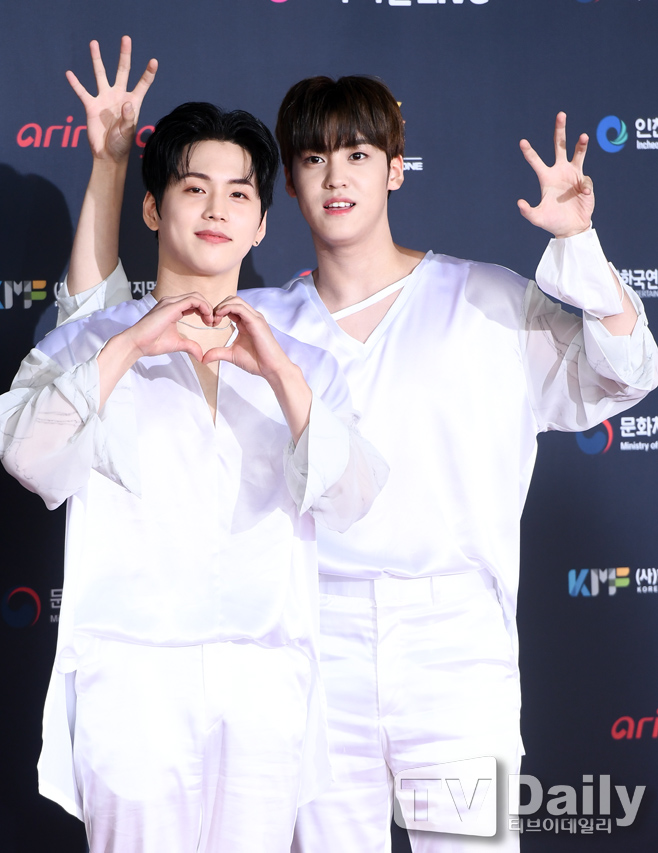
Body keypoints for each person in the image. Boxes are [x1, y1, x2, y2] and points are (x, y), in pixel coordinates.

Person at [58, 45, 658, 853]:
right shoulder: (260, 326)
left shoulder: (485, 299)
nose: (335, 177)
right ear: (288, 188)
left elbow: (627, 372)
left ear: (396, 169)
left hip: (456, 645)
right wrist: (108, 166)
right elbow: (94, 332)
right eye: (313, 158)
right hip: (313, 639)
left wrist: (580, 242)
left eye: (358, 155)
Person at [0, 41, 388, 853]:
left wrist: (280, 374)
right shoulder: (92, 342)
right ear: (153, 210)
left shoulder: (302, 361)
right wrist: (129, 346)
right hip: (132, 683)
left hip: (267, 684)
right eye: (193, 188)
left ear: (261, 222)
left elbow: (353, 496)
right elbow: (28, 457)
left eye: (238, 193)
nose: (216, 208)